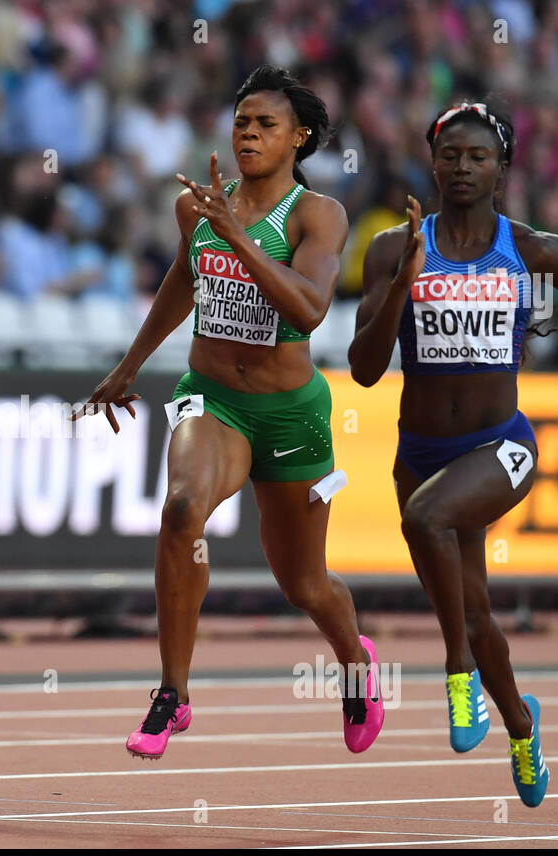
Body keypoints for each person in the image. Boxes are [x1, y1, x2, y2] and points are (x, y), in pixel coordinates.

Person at [349, 101, 558, 806]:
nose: (462, 167)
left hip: (502, 447)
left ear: (502, 167)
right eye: (450, 156)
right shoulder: (390, 248)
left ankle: (457, 671)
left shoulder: (530, 250)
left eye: (477, 157)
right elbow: (365, 369)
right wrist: (402, 282)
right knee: (475, 609)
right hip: (420, 450)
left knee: (428, 520)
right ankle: (523, 726)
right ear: (432, 162)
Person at [76, 66, 385, 759]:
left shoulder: (318, 215)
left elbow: (308, 308)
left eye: (265, 124)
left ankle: (356, 659)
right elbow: (183, 281)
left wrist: (237, 235)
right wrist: (127, 367)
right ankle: (173, 691)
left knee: (303, 582)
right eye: (241, 121)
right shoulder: (201, 208)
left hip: (289, 411)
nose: (247, 132)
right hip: (211, 396)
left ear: (298, 138)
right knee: (182, 508)